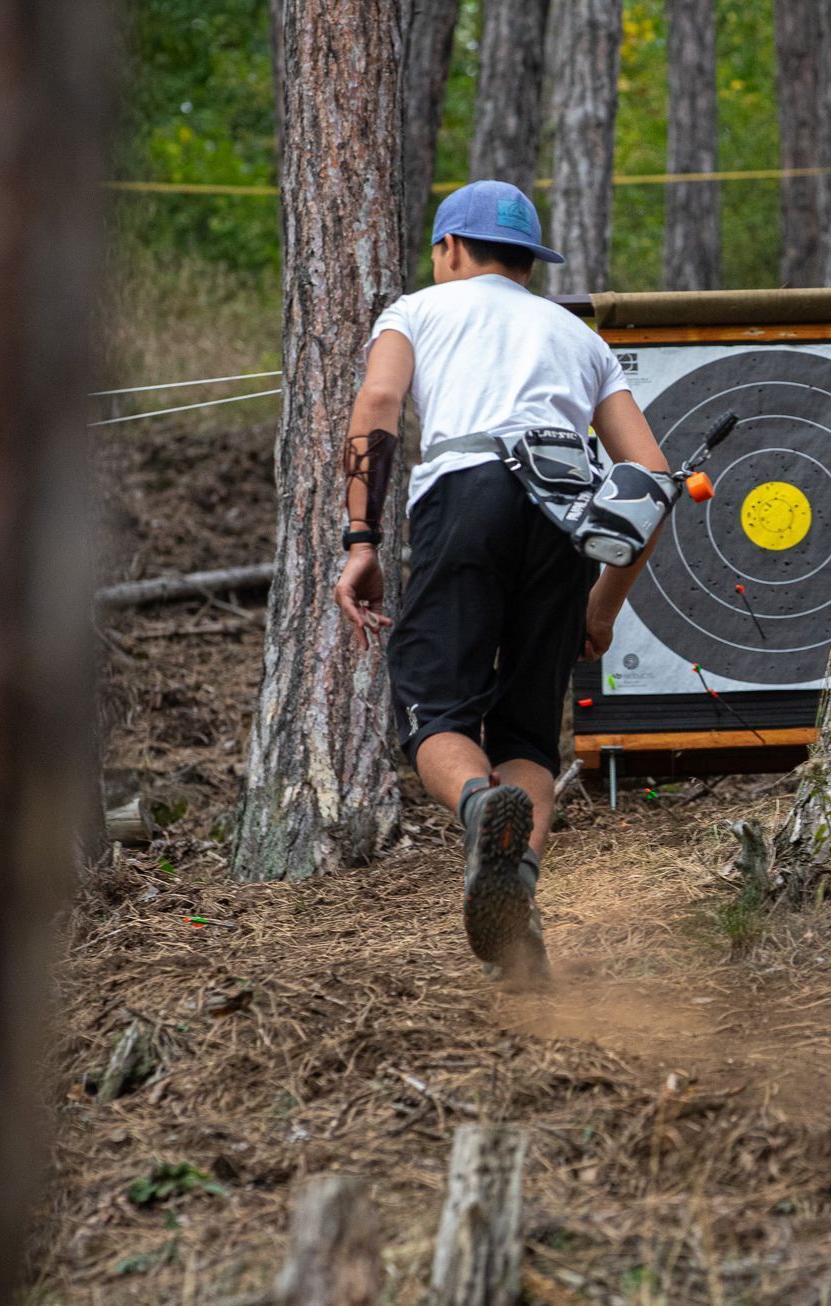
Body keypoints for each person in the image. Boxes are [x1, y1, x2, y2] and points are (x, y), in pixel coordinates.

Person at [333, 179, 668, 980]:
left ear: (449, 248)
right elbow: (650, 478)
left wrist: (360, 540)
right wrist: (604, 604)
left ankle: (481, 810)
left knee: (435, 710)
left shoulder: (417, 310)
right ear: (528, 261)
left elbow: (379, 401)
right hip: (565, 513)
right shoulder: (574, 334)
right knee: (524, 732)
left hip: (466, 491)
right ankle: (515, 912)